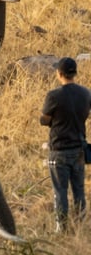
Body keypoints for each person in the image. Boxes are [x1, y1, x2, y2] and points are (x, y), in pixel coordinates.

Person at [40, 56, 91, 232]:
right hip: (78, 149)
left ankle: (61, 227)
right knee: (79, 191)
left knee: (60, 191)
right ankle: (80, 225)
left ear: (59, 73)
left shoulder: (54, 95)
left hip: (59, 150)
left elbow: (44, 120)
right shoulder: (86, 93)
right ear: (74, 73)